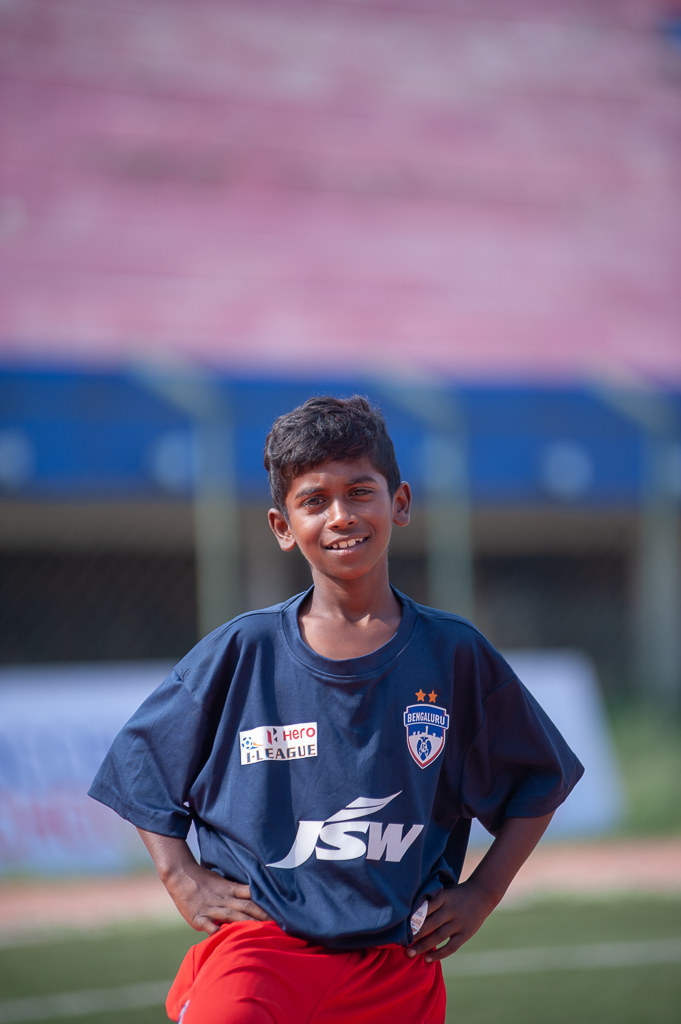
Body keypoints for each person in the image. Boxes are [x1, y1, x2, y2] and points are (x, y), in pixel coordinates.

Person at [89, 395, 584, 1024]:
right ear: (282, 526)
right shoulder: (243, 650)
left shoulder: (453, 653)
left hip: (396, 959)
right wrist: (179, 874)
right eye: (314, 501)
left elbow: (540, 778)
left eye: (359, 491)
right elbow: (140, 762)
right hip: (261, 950)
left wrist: (484, 891)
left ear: (399, 503)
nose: (341, 516)